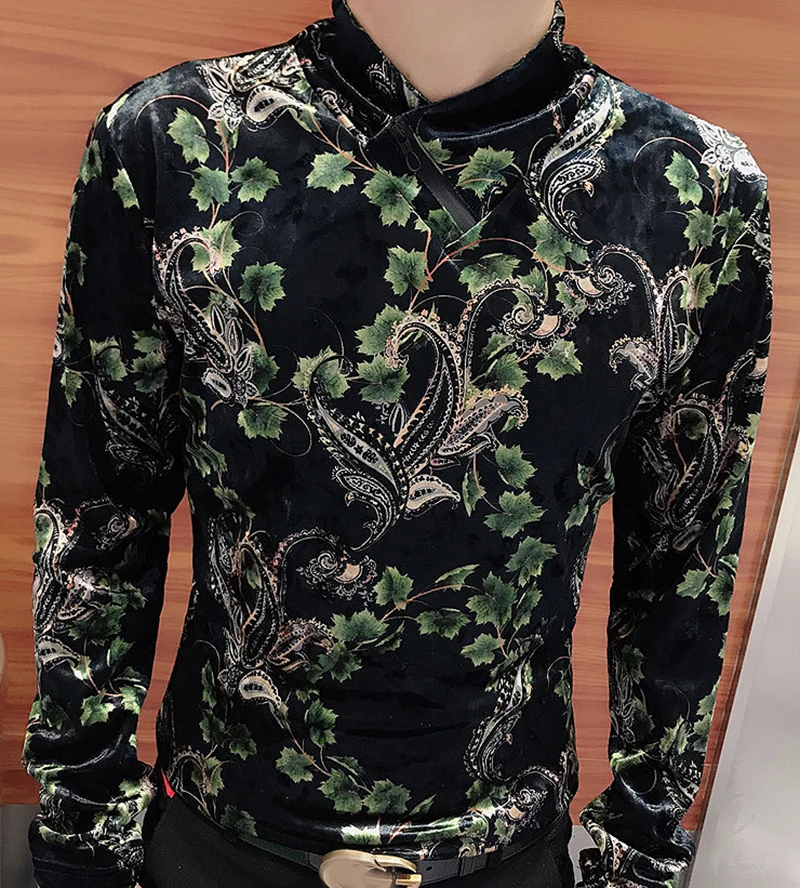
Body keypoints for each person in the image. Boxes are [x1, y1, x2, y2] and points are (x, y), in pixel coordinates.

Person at [21, 0, 773, 887]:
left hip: (507, 852)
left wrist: (637, 860)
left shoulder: (696, 193)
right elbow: (98, 519)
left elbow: (683, 571)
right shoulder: (172, 140)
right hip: (219, 839)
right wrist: (85, 833)